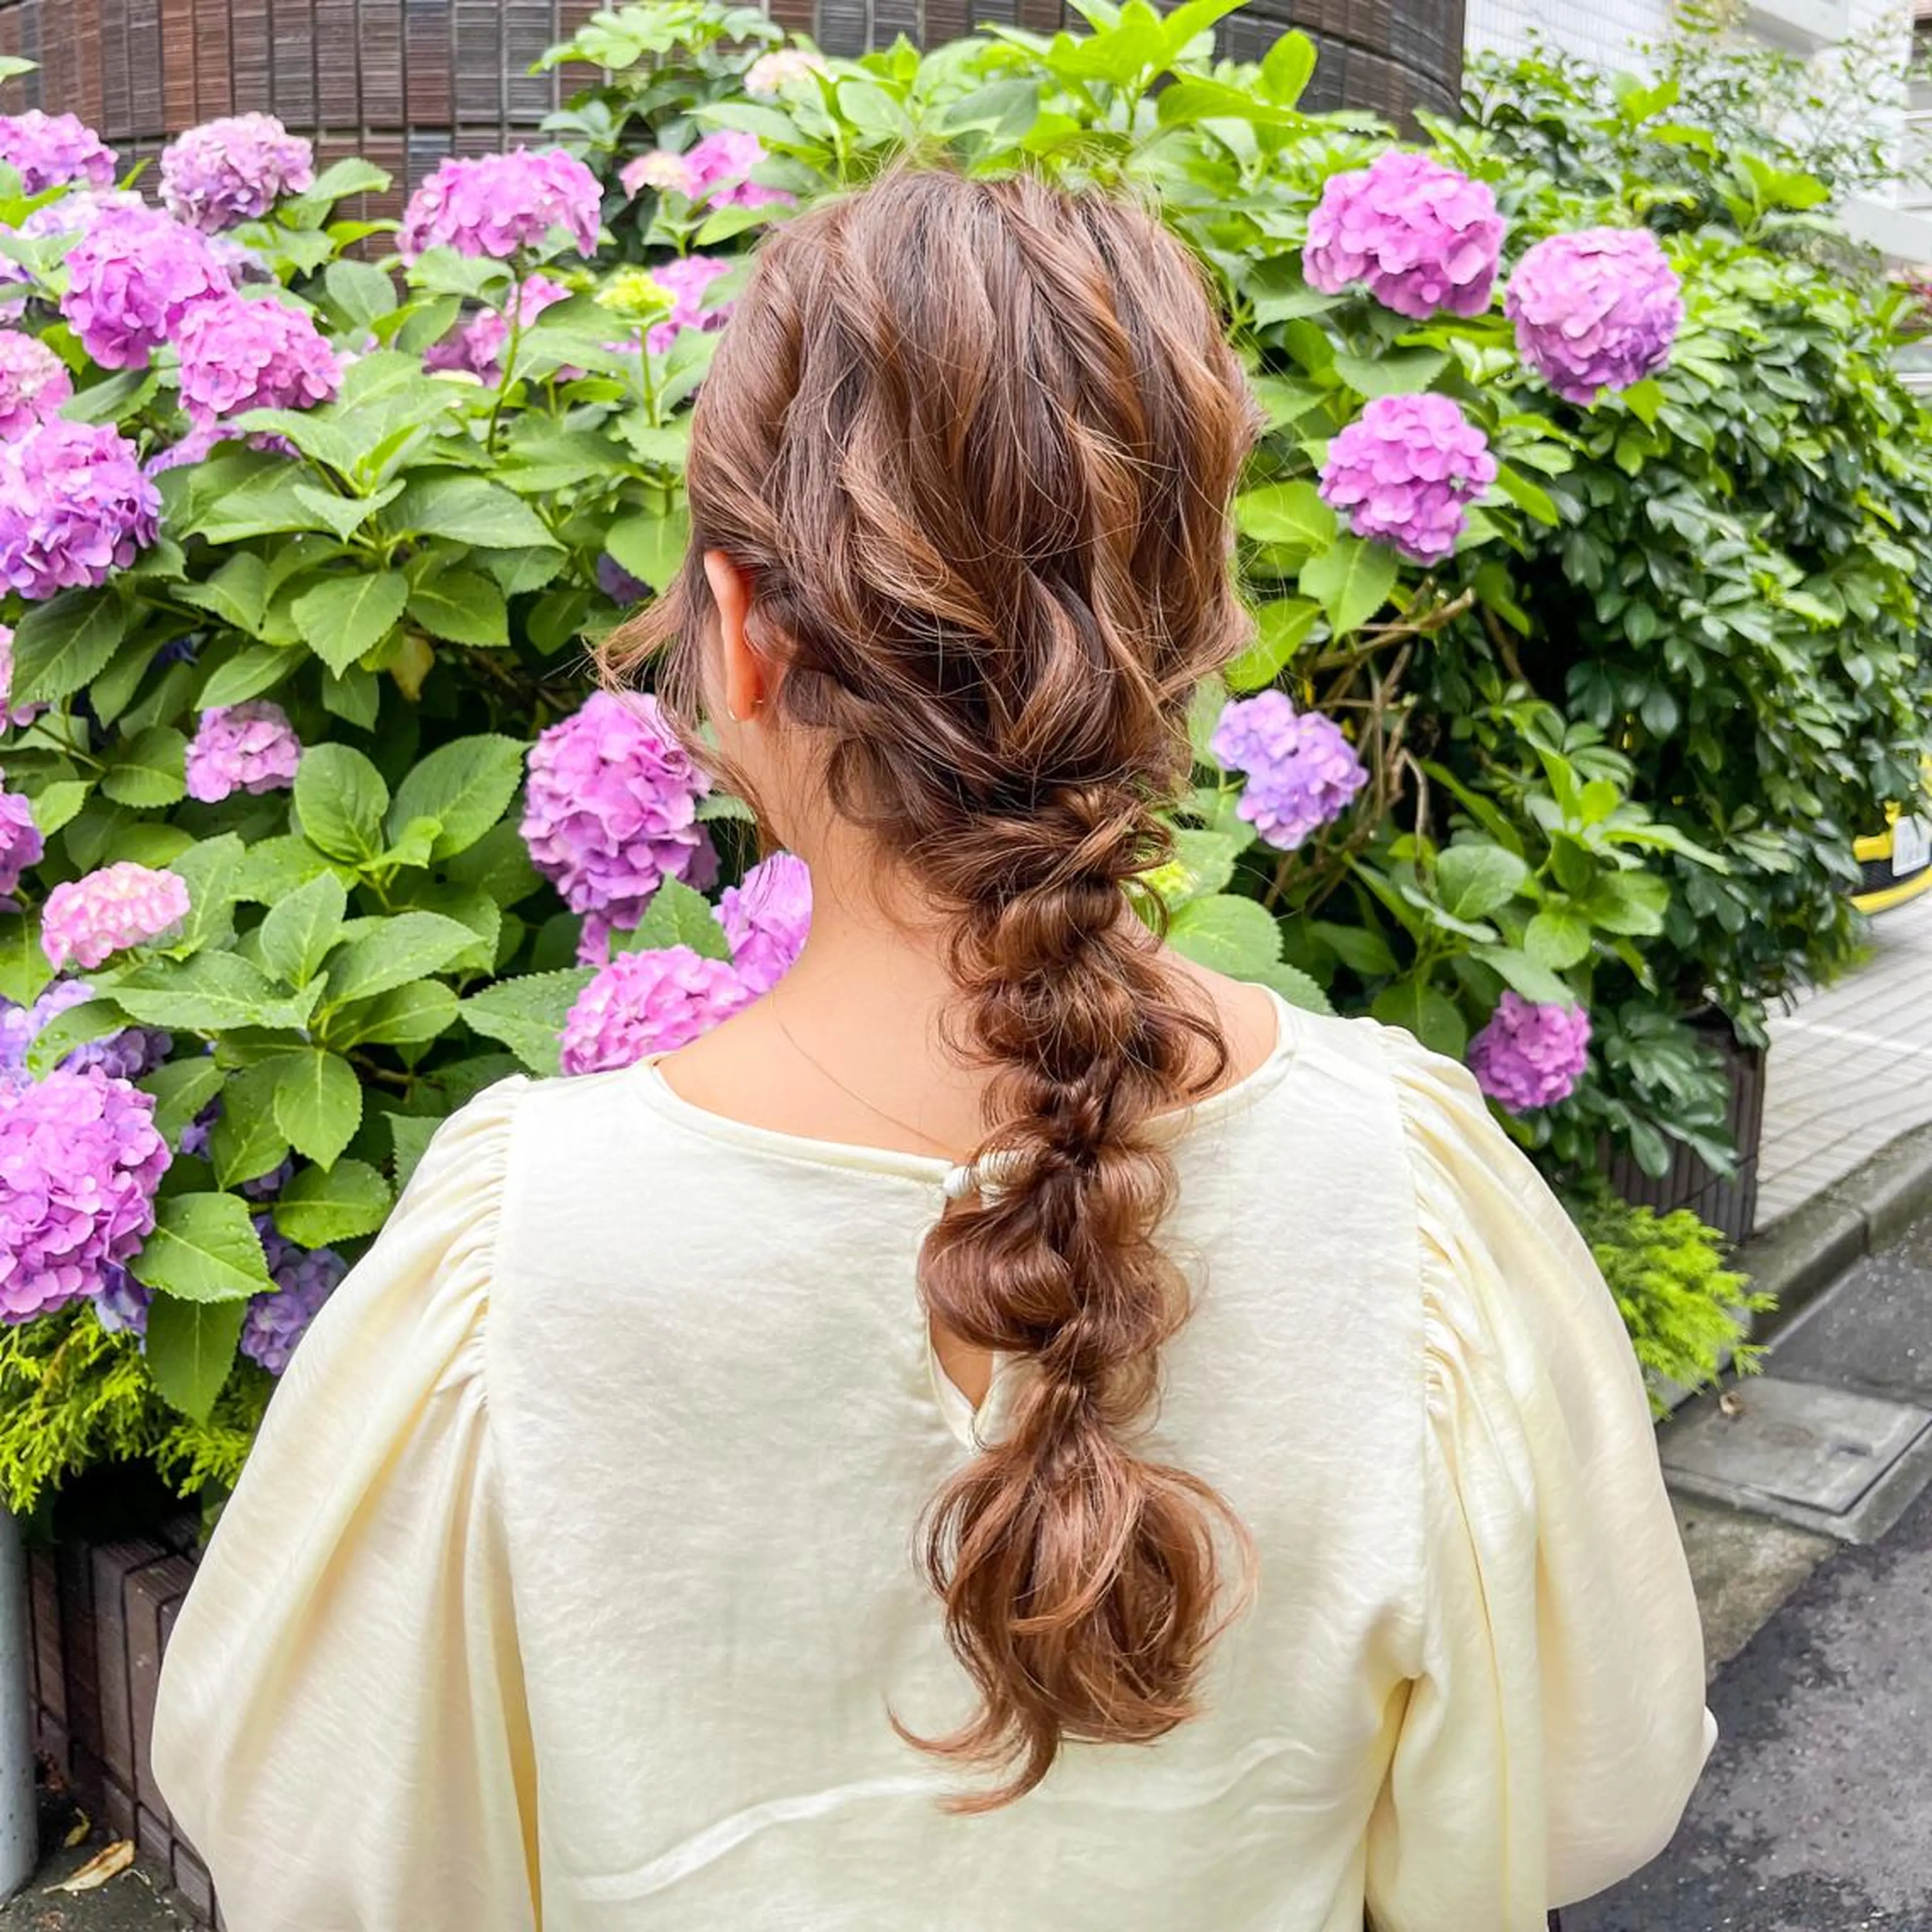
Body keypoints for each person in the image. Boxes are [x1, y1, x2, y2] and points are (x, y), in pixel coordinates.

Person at [150, 167, 1714, 1930]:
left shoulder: (517, 1258)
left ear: (737, 640)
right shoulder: (1411, 1200)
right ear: (1195, 641)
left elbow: (328, 1846)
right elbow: (1585, 1791)